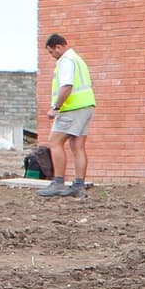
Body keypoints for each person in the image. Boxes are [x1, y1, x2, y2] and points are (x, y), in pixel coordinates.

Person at [39, 31, 95, 196]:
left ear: (58, 47)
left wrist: (55, 108)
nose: (52, 56)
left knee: (54, 142)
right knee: (78, 147)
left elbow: (67, 86)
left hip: (72, 108)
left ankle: (58, 182)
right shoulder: (78, 60)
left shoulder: (66, 61)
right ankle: (78, 186)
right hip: (86, 106)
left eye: (51, 52)